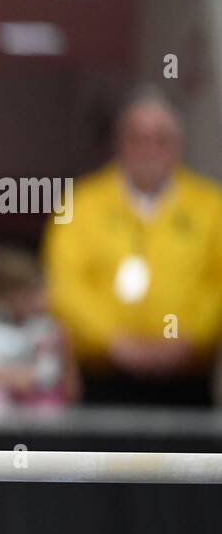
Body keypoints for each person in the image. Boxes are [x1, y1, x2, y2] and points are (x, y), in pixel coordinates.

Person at [42, 87, 222, 406]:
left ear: (177, 145)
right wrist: (115, 343)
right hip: (102, 384)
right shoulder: (81, 205)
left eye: (160, 139)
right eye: (137, 138)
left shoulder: (211, 208)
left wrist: (187, 341)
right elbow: (66, 287)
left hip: (189, 386)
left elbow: (216, 286)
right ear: (120, 142)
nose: (148, 149)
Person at [0, 247, 78, 408]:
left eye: (39, 291)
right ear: (6, 295)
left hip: (45, 418)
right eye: (28, 294)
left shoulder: (52, 331)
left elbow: (71, 389)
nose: (39, 299)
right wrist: (15, 378)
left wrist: (65, 355)